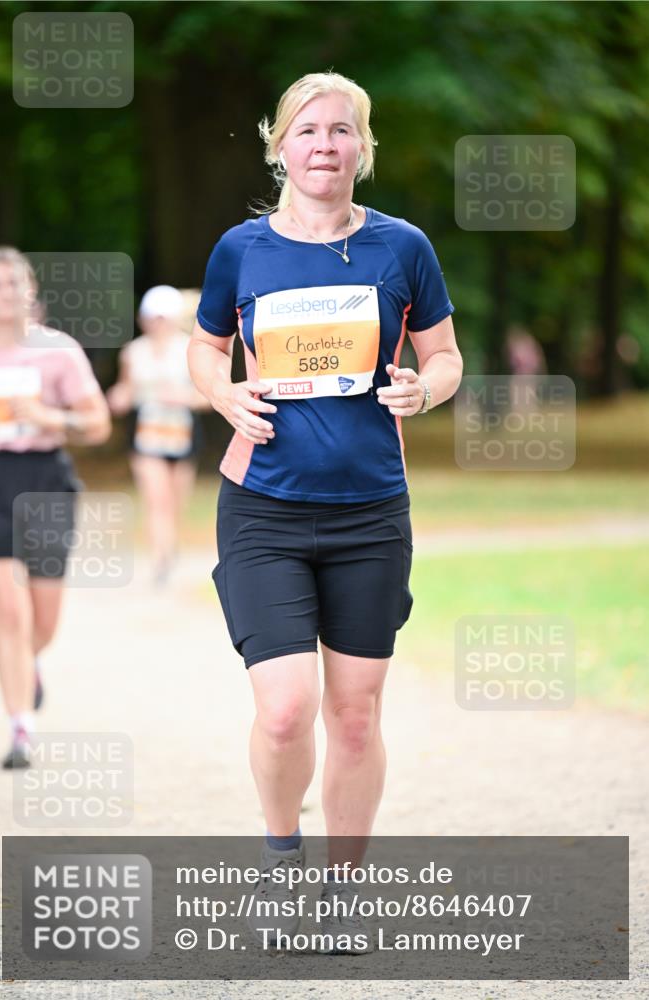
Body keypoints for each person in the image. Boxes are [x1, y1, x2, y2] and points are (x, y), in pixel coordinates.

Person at [188, 72, 463, 952]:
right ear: (279, 146)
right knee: (283, 709)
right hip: (263, 505)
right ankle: (280, 861)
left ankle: (341, 891)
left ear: (361, 148)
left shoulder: (402, 247)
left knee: (354, 714)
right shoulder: (240, 250)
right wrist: (225, 396)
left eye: (341, 131)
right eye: (307, 131)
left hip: (369, 510)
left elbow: (447, 355)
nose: (324, 145)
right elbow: (204, 350)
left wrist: (425, 390)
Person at [0, 246, 110, 767]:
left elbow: (98, 424)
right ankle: (19, 730)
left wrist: (50, 417)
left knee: (43, 619)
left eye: (16, 282)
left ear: (31, 291)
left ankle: (29, 662)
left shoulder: (59, 352)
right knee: (8, 609)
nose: (7, 292)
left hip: (45, 482)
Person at [107, 285, 210, 585]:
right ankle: (161, 558)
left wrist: (183, 398)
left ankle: (170, 545)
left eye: (164, 318)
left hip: (182, 431)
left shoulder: (191, 348)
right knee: (157, 498)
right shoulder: (133, 352)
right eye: (153, 318)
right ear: (143, 319)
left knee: (175, 500)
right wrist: (119, 397)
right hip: (146, 433)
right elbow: (125, 388)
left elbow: (208, 398)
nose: (158, 324)